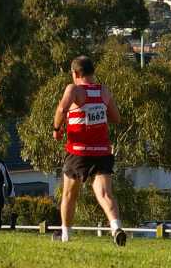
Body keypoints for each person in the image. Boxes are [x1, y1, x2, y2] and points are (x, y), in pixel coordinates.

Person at [52, 55, 126, 246]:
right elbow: (116, 118)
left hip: (78, 151)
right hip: (102, 151)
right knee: (105, 194)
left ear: (76, 73)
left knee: (69, 194)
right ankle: (116, 227)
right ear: (92, 72)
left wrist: (57, 129)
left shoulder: (74, 89)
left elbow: (62, 109)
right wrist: (96, 114)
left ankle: (66, 235)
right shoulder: (104, 91)